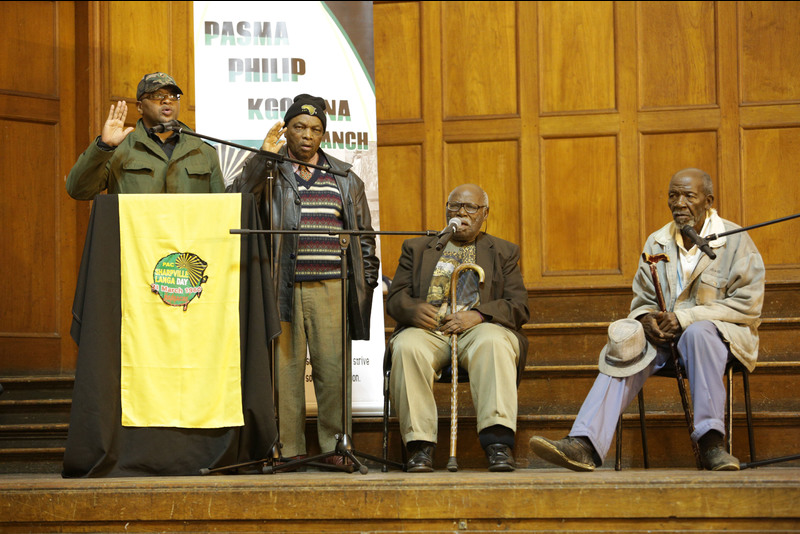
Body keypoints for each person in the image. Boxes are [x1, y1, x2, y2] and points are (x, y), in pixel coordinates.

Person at [530, 167, 765, 472]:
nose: (679, 202)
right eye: (673, 195)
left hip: (720, 338)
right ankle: (584, 443)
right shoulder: (657, 242)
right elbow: (642, 300)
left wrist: (687, 318)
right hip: (666, 341)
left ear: (708, 201)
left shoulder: (735, 241)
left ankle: (711, 443)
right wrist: (645, 320)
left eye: (688, 196)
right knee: (627, 342)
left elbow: (748, 304)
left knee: (698, 333)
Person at [227, 94, 379, 465]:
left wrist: (367, 284)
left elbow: (365, 239)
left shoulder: (345, 177)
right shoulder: (269, 172)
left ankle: (336, 447)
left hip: (332, 287)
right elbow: (235, 200)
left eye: (315, 129)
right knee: (286, 374)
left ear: (324, 134)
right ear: (286, 129)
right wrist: (263, 157)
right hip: (281, 288)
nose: (307, 135)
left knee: (333, 372)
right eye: (298, 127)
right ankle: (289, 450)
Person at [385, 183, 530, 472]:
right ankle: (419, 447)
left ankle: (498, 444)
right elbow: (396, 298)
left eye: (470, 207)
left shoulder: (503, 251)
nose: (462, 213)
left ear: (484, 213)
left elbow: (518, 305)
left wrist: (478, 315)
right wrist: (413, 311)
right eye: (455, 206)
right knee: (406, 346)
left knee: (493, 342)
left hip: (478, 328)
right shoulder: (416, 247)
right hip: (429, 330)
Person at [66, 72, 225, 199]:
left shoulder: (203, 151)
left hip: (189, 239)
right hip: (137, 238)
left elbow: (221, 209)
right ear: (140, 107)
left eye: (173, 96)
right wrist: (104, 146)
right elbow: (78, 190)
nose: (167, 101)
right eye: (157, 95)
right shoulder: (119, 149)